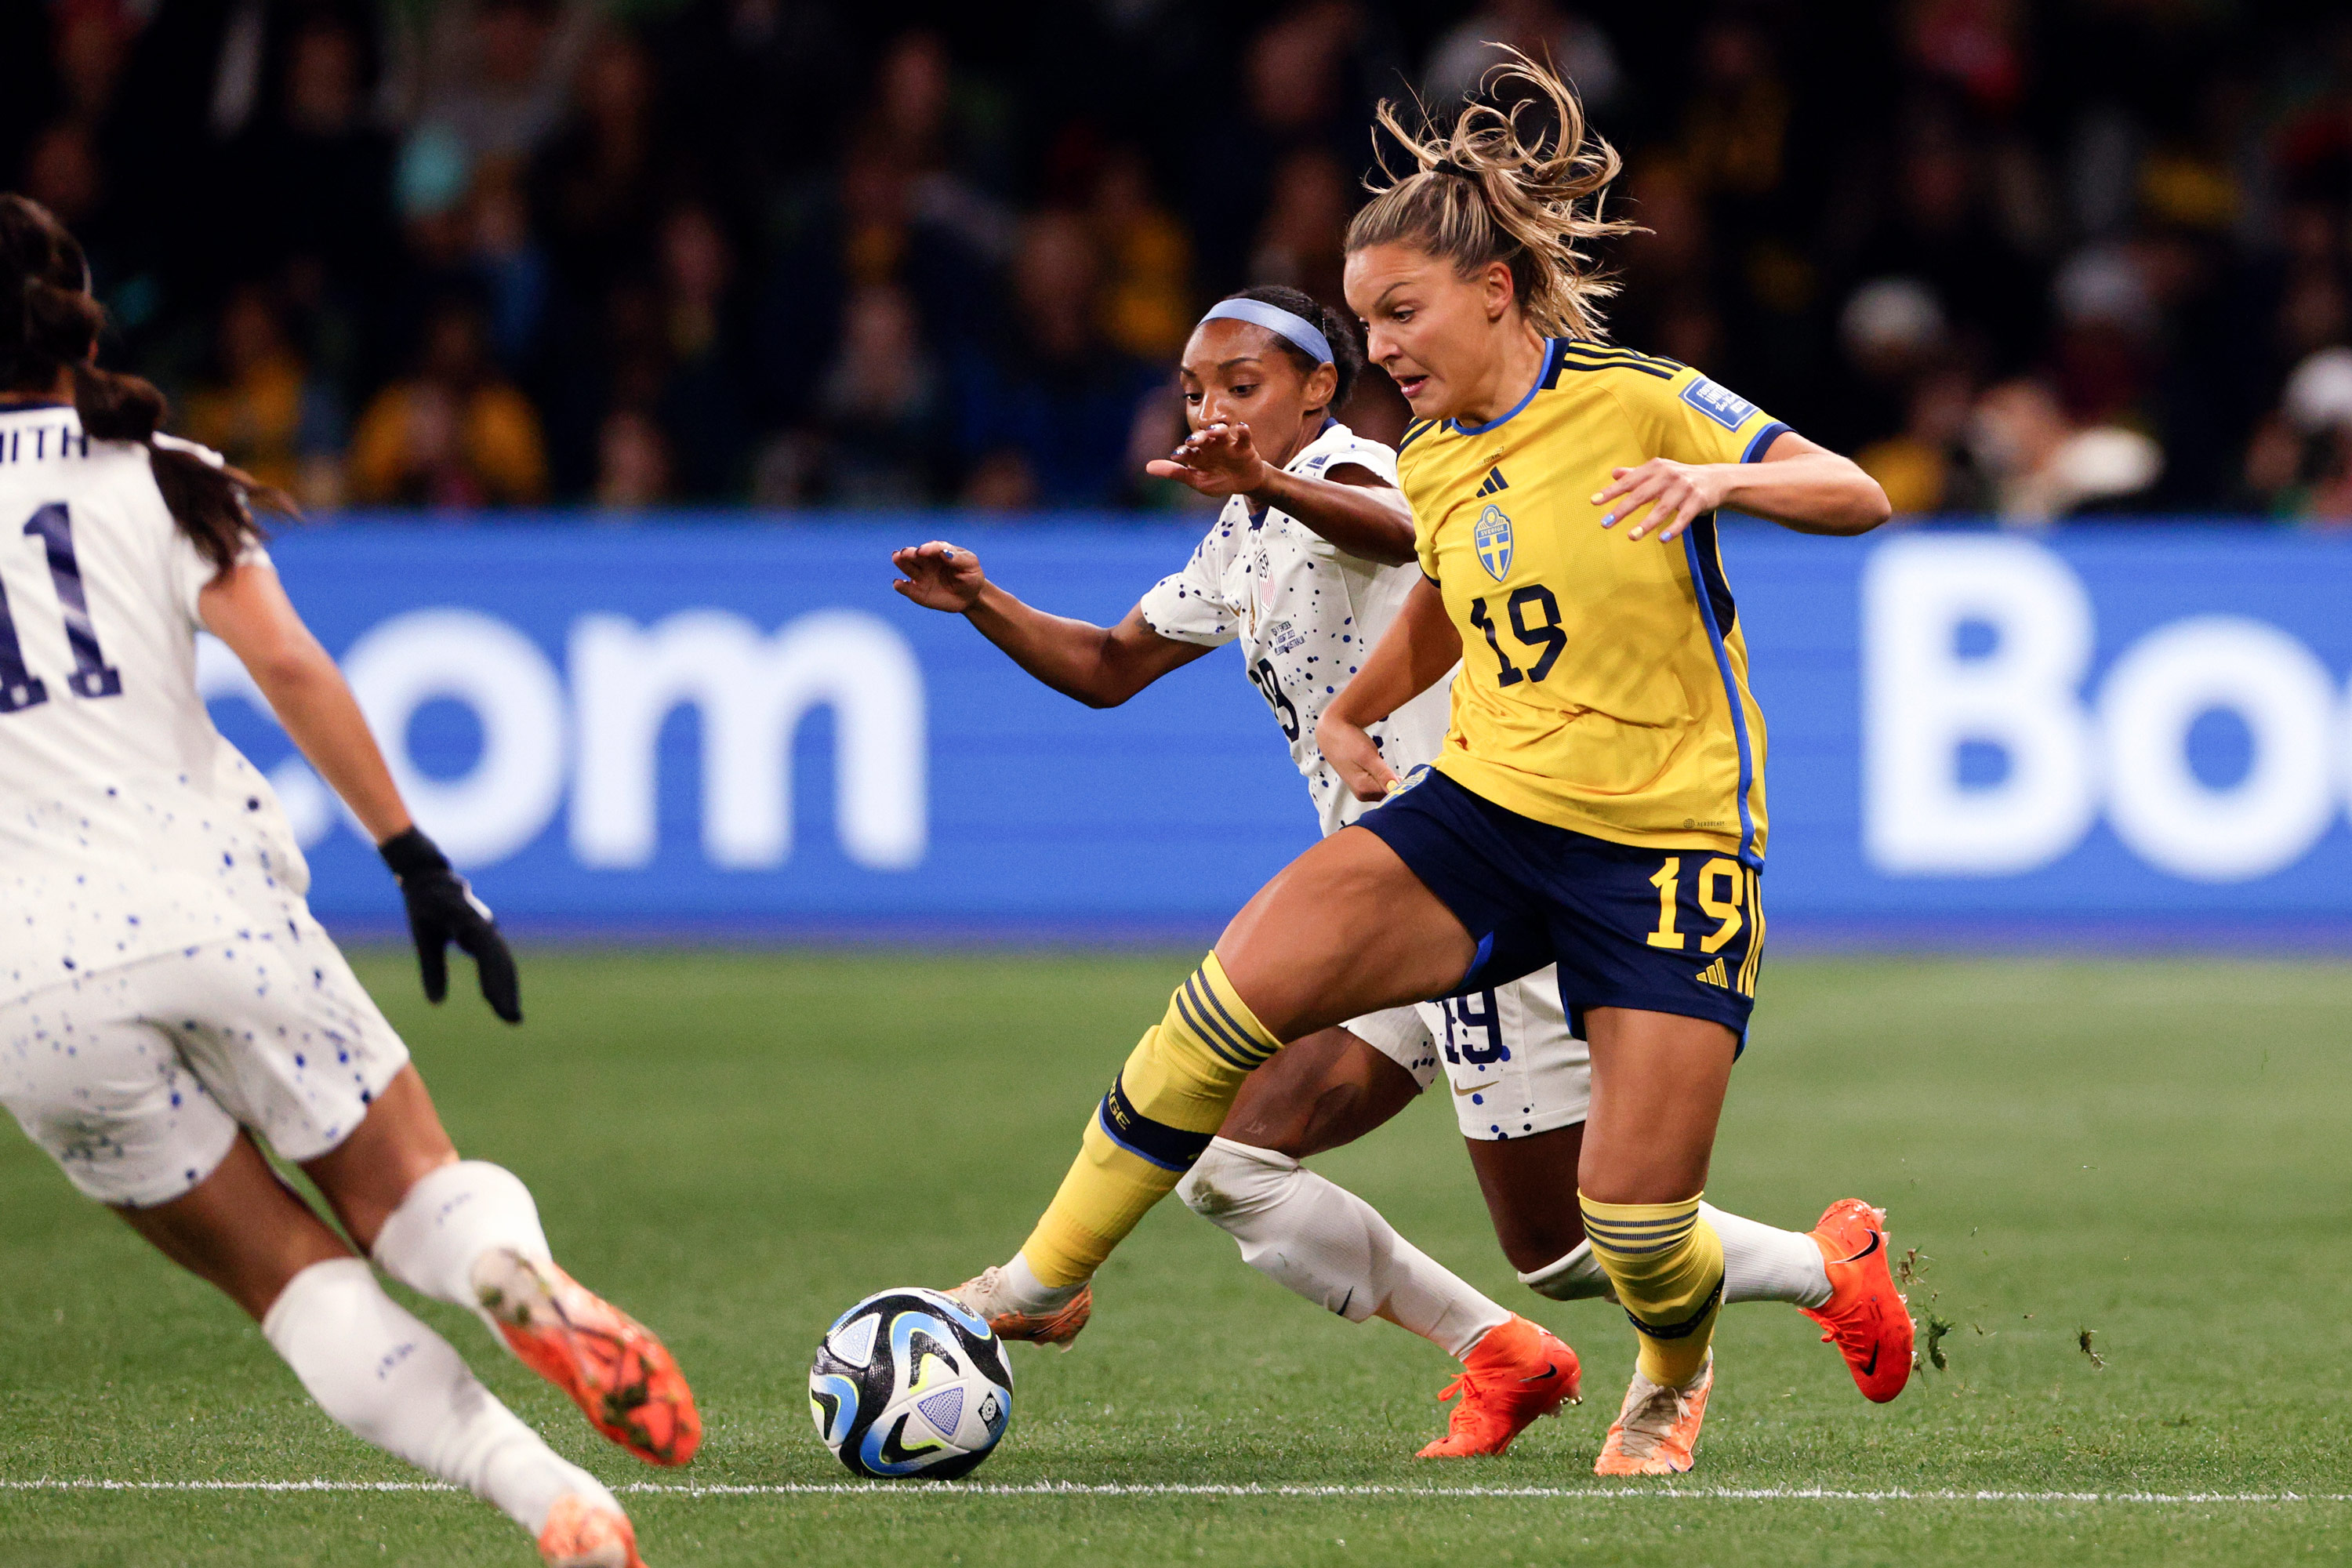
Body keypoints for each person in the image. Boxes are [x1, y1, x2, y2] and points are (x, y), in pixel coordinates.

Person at [903, 276, 1905, 1465]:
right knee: (1226, 1160)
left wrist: (1277, 480)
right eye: (1193, 391)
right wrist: (982, 604)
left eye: (1243, 385)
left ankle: (1818, 1269)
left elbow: (1397, 533)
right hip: (1403, 894)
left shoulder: (1374, 467)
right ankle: (1494, 1350)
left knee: (1575, 1247)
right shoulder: (1243, 534)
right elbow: (1112, 664)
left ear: (1320, 391)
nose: (1213, 411)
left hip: (1509, 874)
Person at [0, 194, 691, 1567]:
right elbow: (295, 667)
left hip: (30, 987)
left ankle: (542, 1493)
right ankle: (510, 1273)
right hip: (208, 903)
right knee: (412, 1192)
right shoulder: (160, 472)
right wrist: (415, 862)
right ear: (75, 315)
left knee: (284, 1279)